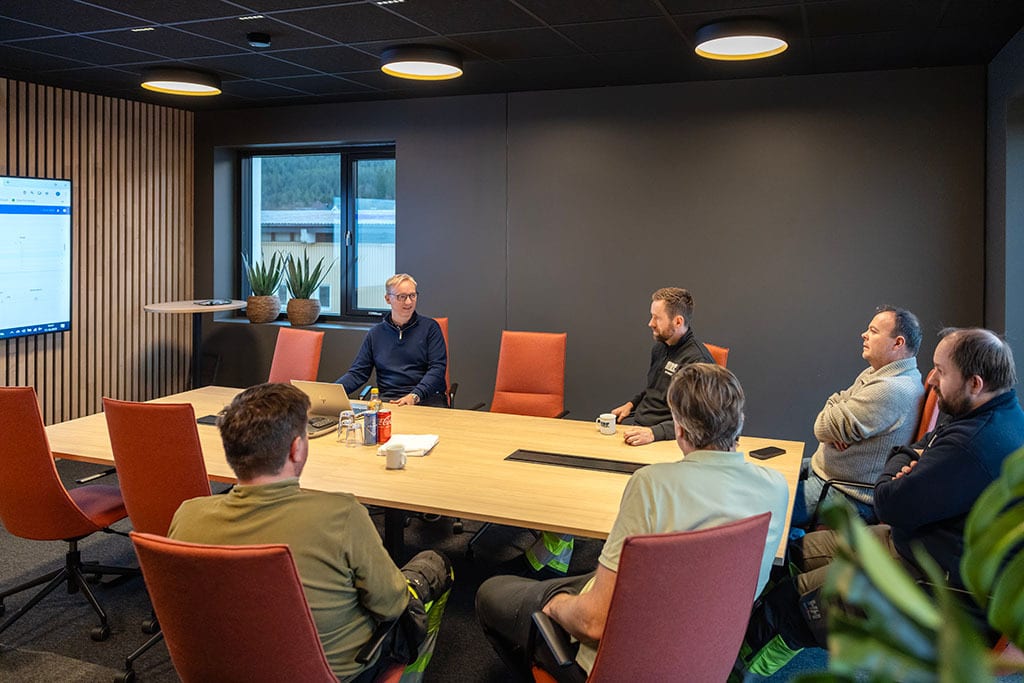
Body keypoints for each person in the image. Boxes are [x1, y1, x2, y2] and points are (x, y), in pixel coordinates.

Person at [477, 363, 790, 682]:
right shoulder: (776, 488)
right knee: (582, 581)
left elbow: (594, 623)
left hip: (621, 662)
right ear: (740, 422)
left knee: (492, 592)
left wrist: (556, 607)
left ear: (679, 430)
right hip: (708, 653)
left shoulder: (653, 485)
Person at [739, 327, 1024, 677]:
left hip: (937, 585)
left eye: (941, 370)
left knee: (785, 611)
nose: (931, 379)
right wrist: (908, 459)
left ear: (975, 383)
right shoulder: (986, 414)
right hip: (911, 544)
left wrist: (901, 467)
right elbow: (914, 451)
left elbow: (887, 501)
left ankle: (732, 669)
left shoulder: (973, 445)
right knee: (788, 556)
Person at [168, 383, 453, 683]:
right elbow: (391, 604)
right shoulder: (341, 514)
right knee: (432, 568)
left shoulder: (187, 516)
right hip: (335, 674)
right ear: (296, 448)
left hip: (220, 671)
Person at [792, 306, 924, 526]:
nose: (864, 335)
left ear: (898, 343)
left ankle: (787, 546)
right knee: (768, 476)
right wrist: (835, 420)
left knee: (764, 507)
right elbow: (836, 400)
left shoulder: (891, 389)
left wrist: (834, 422)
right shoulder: (877, 373)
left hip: (846, 492)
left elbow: (822, 426)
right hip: (826, 472)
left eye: (873, 331)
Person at [610, 287, 714, 447]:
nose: (650, 323)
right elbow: (656, 389)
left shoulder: (698, 361)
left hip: (665, 440)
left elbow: (699, 421)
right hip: (639, 430)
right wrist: (631, 404)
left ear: (678, 321)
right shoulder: (660, 347)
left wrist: (653, 433)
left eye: (657, 318)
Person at [336, 273, 448, 407]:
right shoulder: (375, 334)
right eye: (402, 297)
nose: (408, 302)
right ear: (388, 299)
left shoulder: (430, 328)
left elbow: (437, 369)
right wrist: (331, 392)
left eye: (412, 295)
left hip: (425, 399)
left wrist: (415, 395)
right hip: (389, 400)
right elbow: (358, 374)